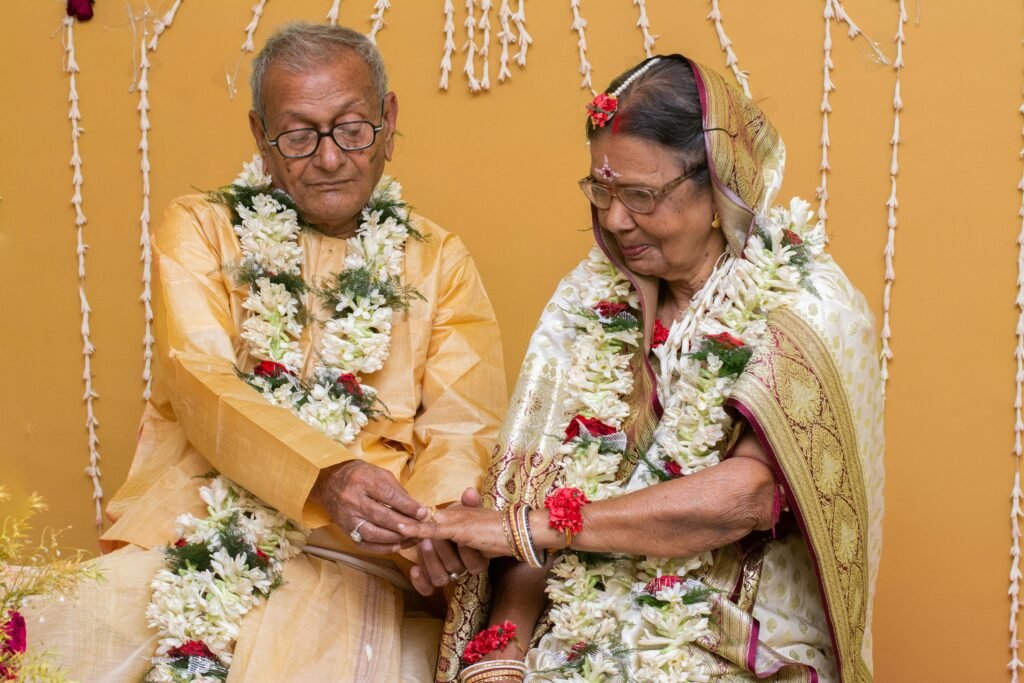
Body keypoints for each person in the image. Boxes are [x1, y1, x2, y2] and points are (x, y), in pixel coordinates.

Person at [28, 22, 505, 682]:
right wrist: (325, 478)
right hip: (198, 535)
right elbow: (202, 382)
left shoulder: (437, 259)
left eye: (352, 128)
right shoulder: (200, 227)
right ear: (261, 136)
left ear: (389, 120)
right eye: (300, 135)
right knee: (41, 642)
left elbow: (460, 425)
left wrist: (435, 526)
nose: (331, 158)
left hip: (361, 557)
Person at [412, 55, 884, 683]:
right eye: (600, 191)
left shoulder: (806, 304)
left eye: (640, 195)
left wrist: (530, 526)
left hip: (731, 641)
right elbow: (526, 512)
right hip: (579, 631)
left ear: (717, 183)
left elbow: (744, 497)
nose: (613, 219)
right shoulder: (584, 303)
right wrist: (504, 649)